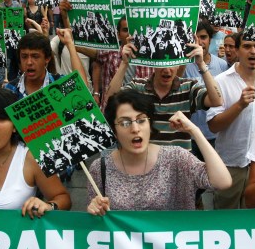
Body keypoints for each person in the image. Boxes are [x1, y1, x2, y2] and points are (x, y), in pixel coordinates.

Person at [87, 89, 231, 215]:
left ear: (150, 125)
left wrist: (195, 131)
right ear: (114, 130)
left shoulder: (176, 158)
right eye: (125, 123)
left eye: (141, 120)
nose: (135, 128)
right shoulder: (100, 168)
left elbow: (222, 182)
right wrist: (95, 209)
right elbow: (98, 223)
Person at [206, 32, 255, 209]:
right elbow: (213, 126)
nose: (253, 51)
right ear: (237, 50)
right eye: (247, 46)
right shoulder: (220, 81)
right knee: (225, 218)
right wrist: (239, 105)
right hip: (231, 164)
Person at [105, 31, 223, 151]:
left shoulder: (188, 87)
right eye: (162, 64)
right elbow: (111, 99)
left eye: (171, 64)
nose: (167, 70)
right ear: (153, 64)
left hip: (179, 164)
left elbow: (217, 101)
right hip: (148, 162)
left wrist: (201, 64)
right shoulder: (138, 87)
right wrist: (125, 63)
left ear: (178, 65)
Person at [0, 88, 71, 216]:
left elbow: (63, 198)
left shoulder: (31, 158)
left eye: (1, 118)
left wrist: (48, 206)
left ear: (14, 126)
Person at [183, 20, 228, 159]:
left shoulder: (222, 65)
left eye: (203, 37)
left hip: (214, 136)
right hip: (190, 135)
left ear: (210, 39)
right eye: (194, 38)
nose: (199, 42)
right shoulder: (183, 66)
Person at [4, 29, 88, 99]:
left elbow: (82, 87)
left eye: (35, 56)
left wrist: (69, 43)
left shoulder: (59, 84)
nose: (29, 62)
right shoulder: (9, 90)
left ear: (47, 58)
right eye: (24, 57)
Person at [93, 15, 154, 110]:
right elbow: (81, 45)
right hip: (112, 113)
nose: (130, 35)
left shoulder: (152, 58)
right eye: (125, 30)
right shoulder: (109, 52)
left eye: (134, 29)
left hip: (139, 114)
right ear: (118, 35)